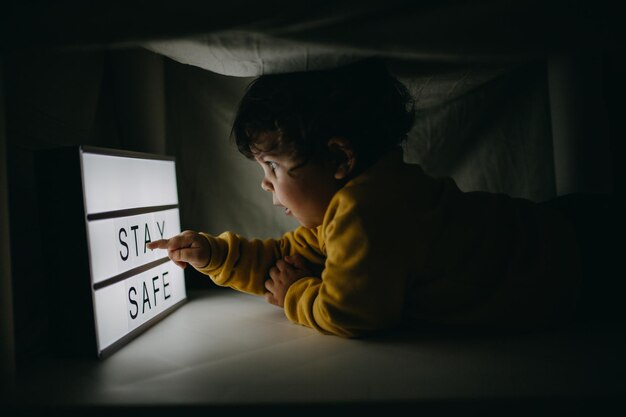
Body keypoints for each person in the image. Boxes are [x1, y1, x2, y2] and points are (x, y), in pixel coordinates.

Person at [148, 59, 591, 337]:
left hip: (570, 263)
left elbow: (350, 314)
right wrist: (216, 254)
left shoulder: (367, 211)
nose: (266, 184)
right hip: (552, 232)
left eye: (274, 167)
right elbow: (283, 260)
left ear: (339, 157)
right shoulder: (348, 206)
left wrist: (294, 296)